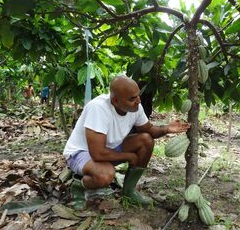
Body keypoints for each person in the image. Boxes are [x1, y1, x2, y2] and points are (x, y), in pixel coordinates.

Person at [63, 75, 190, 206]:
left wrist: (167, 128)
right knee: (105, 175)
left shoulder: (135, 107)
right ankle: (80, 185)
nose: (138, 101)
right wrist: (129, 156)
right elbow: (97, 153)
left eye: (138, 95)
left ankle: (129, 191)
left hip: (108, 148)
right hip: (81, 152)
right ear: (116, 100)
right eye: (132, 99)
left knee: (146, 140)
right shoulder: (98, 108)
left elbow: (150, 130)